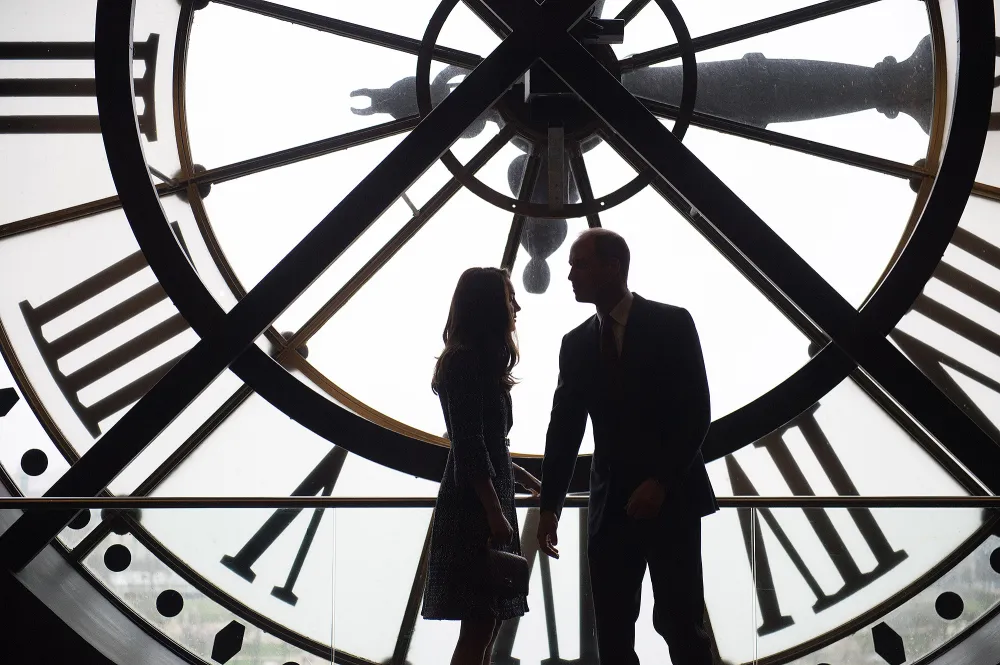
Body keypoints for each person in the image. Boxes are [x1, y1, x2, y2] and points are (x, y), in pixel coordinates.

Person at [536, 229, 717, 665]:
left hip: (609, 508)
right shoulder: (672, 324)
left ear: (611, 267)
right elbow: (695, 415)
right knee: (681, 624)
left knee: (616, 633)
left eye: (578, 264)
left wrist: (550, 507)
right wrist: (663, 482)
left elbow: (565, 431)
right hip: (673, 503)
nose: (570, 275)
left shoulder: (577, 345)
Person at [422, 267, 542, 665]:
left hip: (476, 504)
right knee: (482, 623)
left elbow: (469, 441)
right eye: (510, 299)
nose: (517, 306)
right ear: (491, 307)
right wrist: (496, 510)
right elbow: (474, 444)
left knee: (479, 623)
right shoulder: (474, 363)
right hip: (481, 507)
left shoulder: (462, 362)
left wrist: (512, 481)